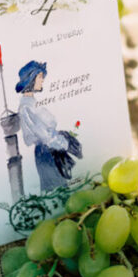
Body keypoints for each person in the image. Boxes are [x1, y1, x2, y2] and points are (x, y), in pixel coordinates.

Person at [15, 60, 82, 193]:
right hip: (46, 152)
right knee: (56, 189)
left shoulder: (32, 103)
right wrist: (66, 144)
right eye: (40, 77)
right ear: (31, 78)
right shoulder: (26, 107)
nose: (42, 80)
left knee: (60, 186)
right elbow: (44, 135)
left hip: (50, 150)